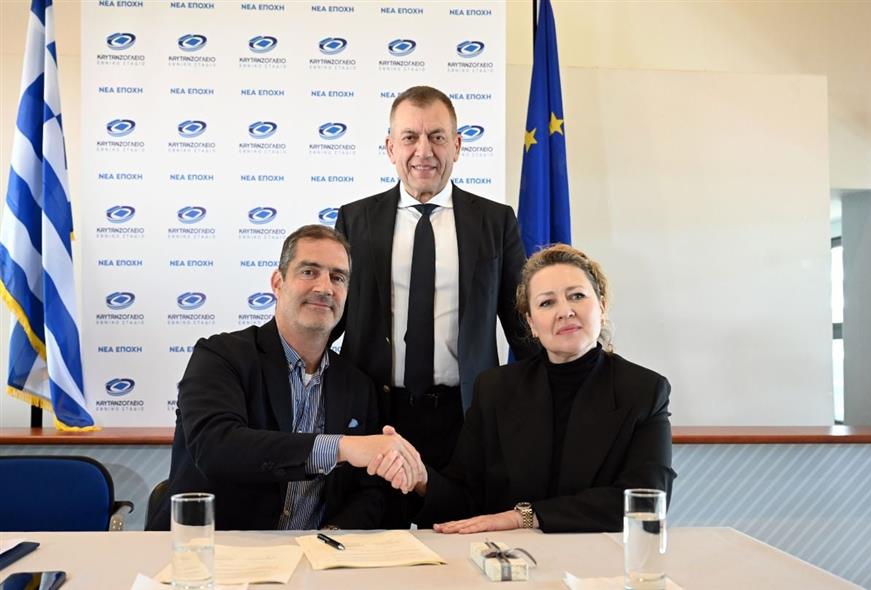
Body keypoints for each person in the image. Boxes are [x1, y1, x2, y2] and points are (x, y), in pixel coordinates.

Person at [371, 244, 675, 533]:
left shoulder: (645, 391)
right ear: (531, 323)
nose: (565, 311)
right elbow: (465, 501)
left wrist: (525, 517)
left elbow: (647, 501)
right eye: (547, 303)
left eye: (577, 296)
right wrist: (422, 480)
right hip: (511, 559)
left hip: (602, 558)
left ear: (602, 307)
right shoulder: (495, 389)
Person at [147, 225, 420, 531]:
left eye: (338, 277)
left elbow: (367, 491)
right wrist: (341, 447)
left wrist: (332, 536)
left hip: (315, 554)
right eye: (309, 272)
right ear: (278, 282)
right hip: (212, 547)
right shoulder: (220, 356)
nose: (325, 288)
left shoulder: (357, 385)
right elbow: (216, 446)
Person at [333, 86, 538, 473]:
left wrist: (568, 385)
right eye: (410, 137)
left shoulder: (495, 222)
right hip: (375, 418)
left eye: (437, 137)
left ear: (457, 146)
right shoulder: (354, 220)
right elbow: (330, 319)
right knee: (373, 515)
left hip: (465, 418)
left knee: (460, 514)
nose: (424, 151)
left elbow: (523, 326)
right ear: (391, 148)